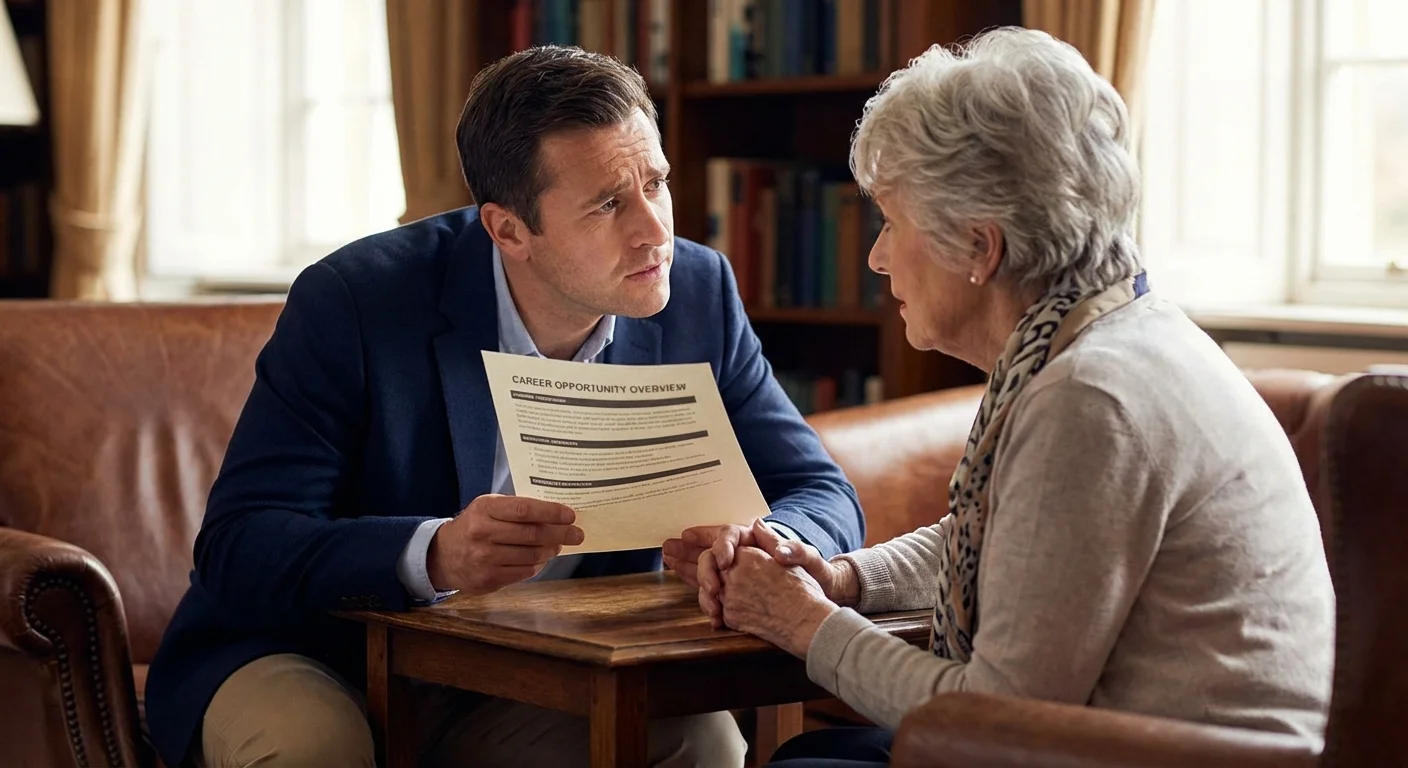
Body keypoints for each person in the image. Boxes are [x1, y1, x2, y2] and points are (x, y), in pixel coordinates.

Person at [144, 45, 865, 768]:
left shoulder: (699, 295)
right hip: (316, 656)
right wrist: (433, 553)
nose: (654, 230)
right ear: (508, 230)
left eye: (657, 183)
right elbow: (240, 544)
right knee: (317, 749)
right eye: (610, 203)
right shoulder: (355, 302)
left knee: (694, 736)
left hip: (529, 672)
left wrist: (770, 541)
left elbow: (822, 493)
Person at [696, 27, 1335, 767]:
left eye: (891, 224)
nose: (875, 256)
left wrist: (804, 623)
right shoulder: (1107, 334)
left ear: (980, 247)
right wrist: (841, 578)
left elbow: (998, 715)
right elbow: (1015, 542)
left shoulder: (1092, 397)